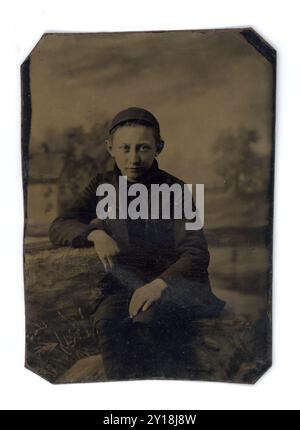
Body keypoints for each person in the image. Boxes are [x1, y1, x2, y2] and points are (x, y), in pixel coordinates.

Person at [49, 107, 225, 380]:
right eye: (125, 148)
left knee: (147, 322)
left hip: (171, 286)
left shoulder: (176, 190)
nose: (133, 159)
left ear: (159, 148)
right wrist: (95, 235)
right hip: (124, 287)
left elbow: (196, 252)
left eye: (143, 148)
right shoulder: (103, 184)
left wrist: (159, 285)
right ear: (110, 148)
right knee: (108, 320)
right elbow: (61, 224)